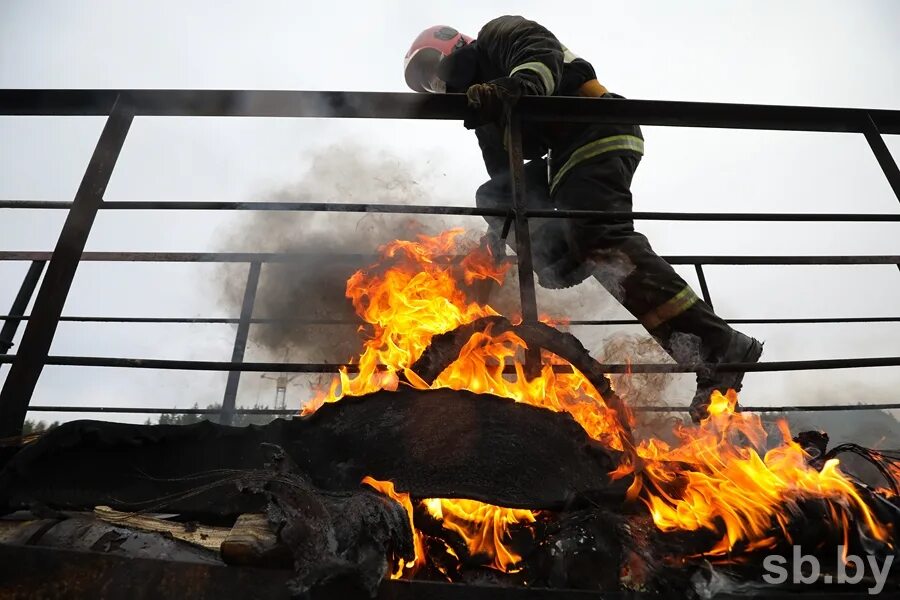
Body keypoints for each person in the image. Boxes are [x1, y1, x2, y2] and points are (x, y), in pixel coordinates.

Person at [403, 17, 763, 421]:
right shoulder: (484, 108)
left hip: (595, 125)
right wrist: (496, 232)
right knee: (494, 196)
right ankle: (562, 259)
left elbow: (540, 58)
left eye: (433, 71)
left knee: (603, 242)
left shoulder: (498, 36)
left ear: (452, 45)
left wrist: (513, 89)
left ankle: (720, 348)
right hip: (564, 158)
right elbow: (505, 178)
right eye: (429, 86)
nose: (438, 84)